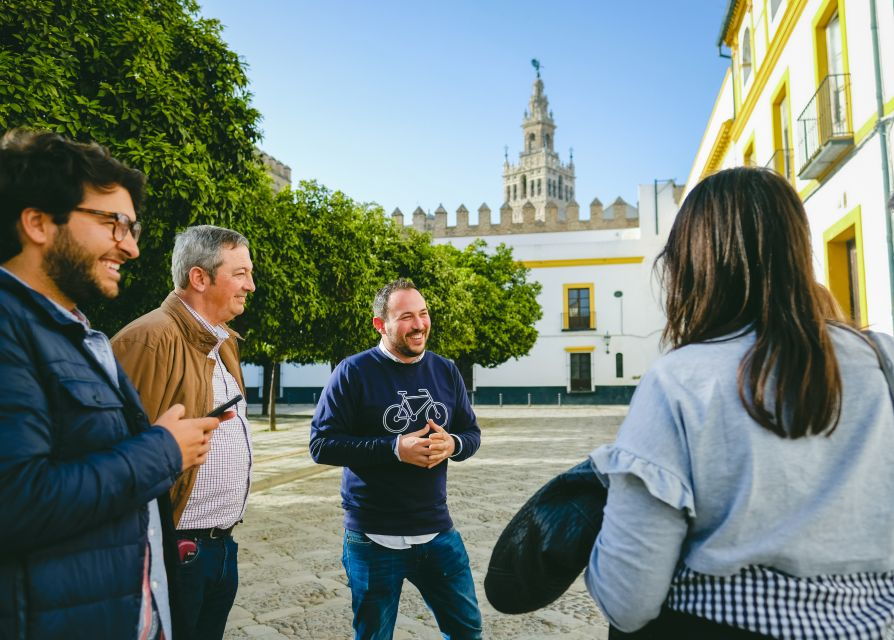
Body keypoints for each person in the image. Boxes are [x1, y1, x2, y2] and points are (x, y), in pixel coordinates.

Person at [585, 167, 894, 638]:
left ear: (692, 264)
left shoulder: (680, 379)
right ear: (798, 248)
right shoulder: (883, 361)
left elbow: (629, 599)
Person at [0, 129, 223, 639]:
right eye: (113, 223)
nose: (131, 247)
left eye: (132, 227)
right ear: (37, 222)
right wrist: (163, 451)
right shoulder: (9, 327)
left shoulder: (76, 333)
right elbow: (16, 500)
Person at [309, 278, 483, 640]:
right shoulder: (352, 372)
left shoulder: (446, 370)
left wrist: (452, 444)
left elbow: (471, 433)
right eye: (406, 317)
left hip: (438, 533)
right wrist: (394, 449)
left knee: (468, 633)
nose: (419, 325)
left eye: (423, 313)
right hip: (373, 538)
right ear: (380, 324)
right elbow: (322, 445)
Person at [112, 225, 255, 640]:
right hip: (174, 549)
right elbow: (116, 451)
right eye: (240, 273)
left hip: (219, 548)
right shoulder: (148, 340)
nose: (251, 285)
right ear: (199, 277)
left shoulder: (223, 341)